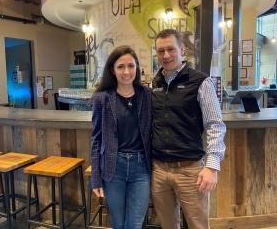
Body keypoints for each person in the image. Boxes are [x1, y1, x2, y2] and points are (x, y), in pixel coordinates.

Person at [151, 29, 226, 229]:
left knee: (198, 226)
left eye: (170, 49)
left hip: (190, 171)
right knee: (167, 225)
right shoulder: (154, 84)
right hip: (159, 170)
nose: (166, 55)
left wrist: (211, 167)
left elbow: (215, 125)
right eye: (160, 51)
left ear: (182, 50)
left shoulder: (201, 82)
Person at [90, 45, 152, 229]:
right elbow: (96, 139)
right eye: (121, 66)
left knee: (134, 223)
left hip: (141, 167)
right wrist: (96, 178)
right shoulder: (101, 98)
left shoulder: (147, 96)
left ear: (137, 68)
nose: (127, 72)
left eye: (131, 66)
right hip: (112, 167)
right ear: (112, 69)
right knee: (118, 222)